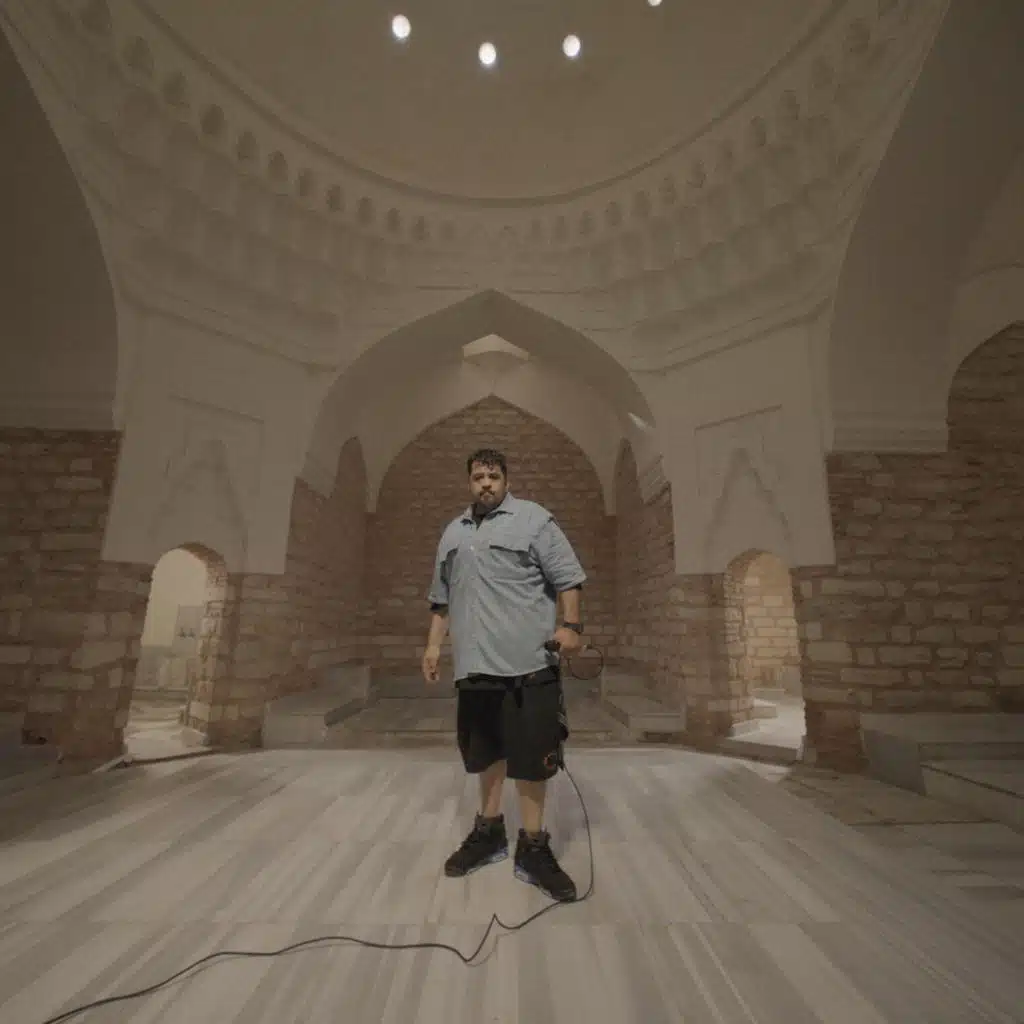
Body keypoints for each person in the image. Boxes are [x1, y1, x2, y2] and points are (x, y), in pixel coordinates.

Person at [421, 448, 586, 902]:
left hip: (529, 664)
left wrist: (572, 627)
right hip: (475, 665)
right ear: (469, 482)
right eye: (478, 477)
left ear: (506, 480)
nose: (486, 484)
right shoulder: (453, 533)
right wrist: (433, 645)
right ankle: (489, 831)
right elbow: (441, 598)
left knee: (532, 758)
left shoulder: (534, 520)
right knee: (485, 752)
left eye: (493, 476)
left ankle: (533, 846)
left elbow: (568, 577)